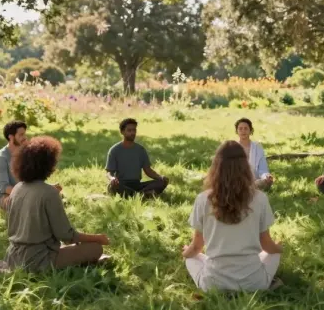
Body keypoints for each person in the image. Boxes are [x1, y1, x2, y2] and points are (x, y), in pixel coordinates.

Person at [183, 141, 283, 291]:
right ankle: (268, 280)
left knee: (191, 258)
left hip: (213, 283)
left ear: (216, 167)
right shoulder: (260, 198)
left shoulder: (203, 199)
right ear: (245, 167)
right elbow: (267, 246)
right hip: (253, 283)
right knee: (274, 254)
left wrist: (186, 252)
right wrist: (279, 248)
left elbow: (197, 247)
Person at [6, 136, 110, 271]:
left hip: (13, 257)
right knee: (95, 248)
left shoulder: (17, 189)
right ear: (48, 164)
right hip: (38, 260)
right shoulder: (49, 193)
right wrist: (97, 238)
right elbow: (66, 236)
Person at [106, 118, 168, 198]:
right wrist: (112, 178)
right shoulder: (114, 150)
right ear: (122, 132)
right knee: (112, 186)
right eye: (129, 130)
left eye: (134, 130)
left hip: (137, 185)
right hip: (122, 184)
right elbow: (109, 172)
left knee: (161, 182)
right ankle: (142, 195)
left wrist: (161, 177)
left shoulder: (140, 150)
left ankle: (136, 195)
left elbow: (148, 171)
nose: (132, 133)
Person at [0, 121, 30, 210]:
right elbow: (4, 187)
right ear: (11, 137)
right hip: (1, 196)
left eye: (25, 134)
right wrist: (27, 195)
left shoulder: (26, 154)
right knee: (23, 204)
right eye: (21, 135)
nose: (25, 138)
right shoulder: (1, 158)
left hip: (23, 192)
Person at [235, 118, 274, 191]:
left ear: (250, 130)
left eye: (246, 128)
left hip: (254, 180)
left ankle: (249, 188)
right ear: (237, 131)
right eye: (240, 129)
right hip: (237, 180)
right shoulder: (232, 147)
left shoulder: (257, 147)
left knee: (265, 182)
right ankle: (246, 189)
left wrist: (266, 176)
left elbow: (263, 169)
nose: (243, 131)